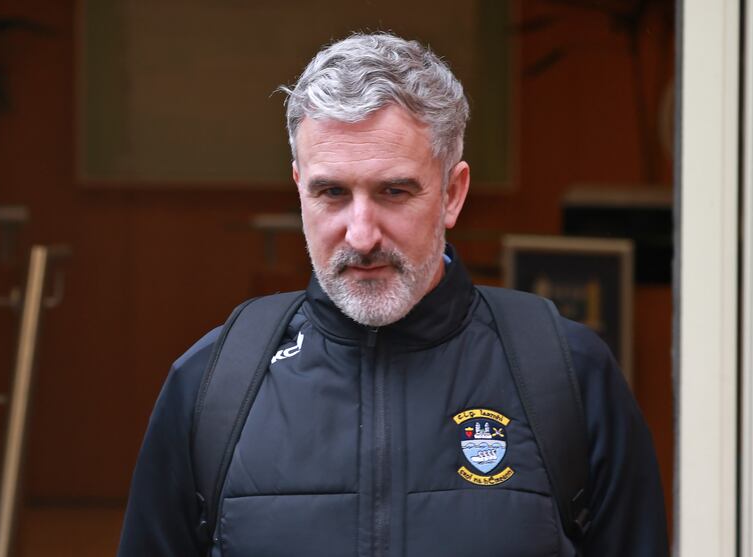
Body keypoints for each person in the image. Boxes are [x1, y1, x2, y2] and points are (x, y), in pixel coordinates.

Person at [118, 33, 668, 556]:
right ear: (299, 190)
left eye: (394, 191)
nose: (361, 234)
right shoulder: (213, 383)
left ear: (452, 194)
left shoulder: (567, 374)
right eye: (332, 192)